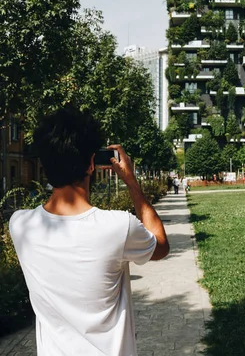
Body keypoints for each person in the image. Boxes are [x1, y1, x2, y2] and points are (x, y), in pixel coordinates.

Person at [9, 106, 170, 356]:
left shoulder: (20, 225)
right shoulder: (118, 227)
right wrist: (131, 181)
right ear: (92, 163)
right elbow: (161, 246)